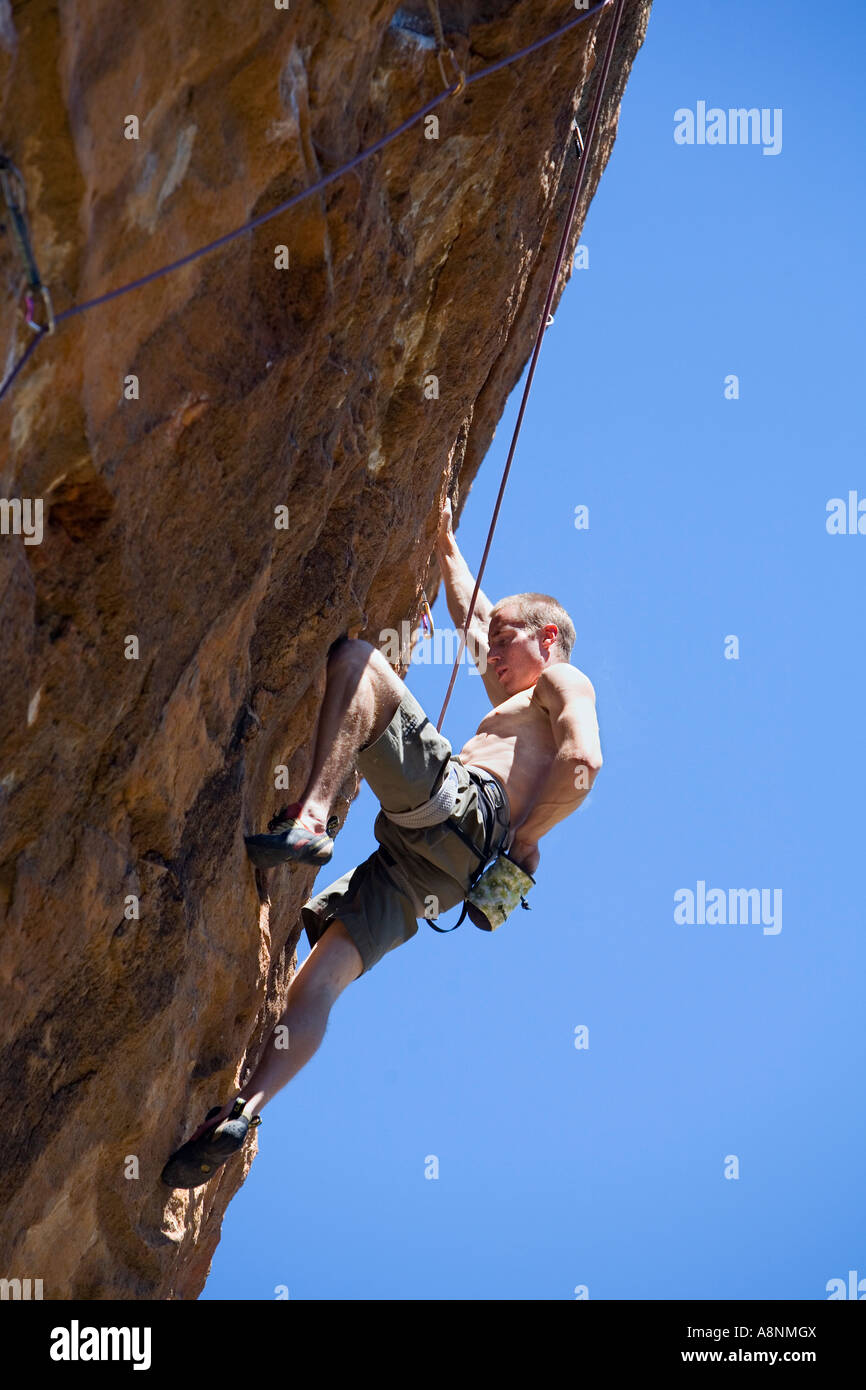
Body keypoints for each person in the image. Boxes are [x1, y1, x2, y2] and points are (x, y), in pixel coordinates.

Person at [161, 498, 602, 1189]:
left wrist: (525, 837)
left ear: (548, 640)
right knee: (321, 979)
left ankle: (308, 818)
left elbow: (583, 765)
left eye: (507, 640)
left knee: (359, 662)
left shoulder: (561, 679)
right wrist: (443, 537)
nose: (489, 649)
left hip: (467, 817)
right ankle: (243, 1110)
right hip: (442, 874)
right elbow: (474, 610)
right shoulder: (518, 688)